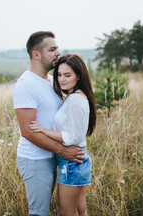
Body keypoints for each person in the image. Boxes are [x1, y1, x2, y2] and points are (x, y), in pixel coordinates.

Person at [13, 31, 85, 216]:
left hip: (55, 156)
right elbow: (28, 132)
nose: (57, 53)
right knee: (39, 213)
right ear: (36, 54)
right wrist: (63, 150)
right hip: (36, 159)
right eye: (52, 49)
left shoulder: (51, 80)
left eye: (57, 48)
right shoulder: (26, 85)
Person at [28, 54, 97, 216]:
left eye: (67, 75)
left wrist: (44, 130)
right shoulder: (76, 97)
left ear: (78, 76)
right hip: (76, 161)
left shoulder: (75, 100)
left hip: (72, 163)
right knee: (81, 211)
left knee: (67, 213)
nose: (61, 79)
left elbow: (74, 136)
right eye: (59, 75)